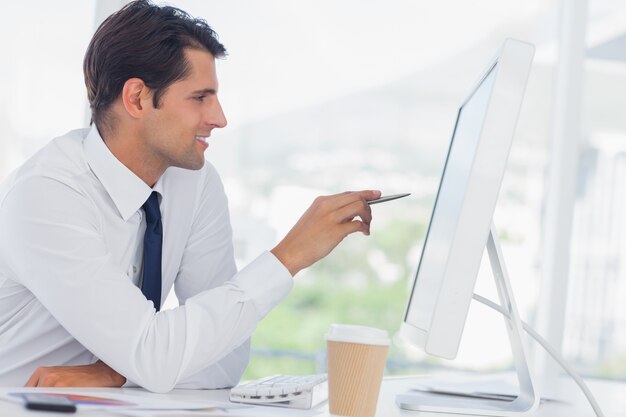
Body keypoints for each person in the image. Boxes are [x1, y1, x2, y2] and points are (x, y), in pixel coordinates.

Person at [0, 1, 380, 392]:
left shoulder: (194, 182)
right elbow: (156, 356)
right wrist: (288, 257)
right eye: (200, 98)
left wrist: (119, 372)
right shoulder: (46, 195)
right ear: (137, 99)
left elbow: (225, 359)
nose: (220, 118)